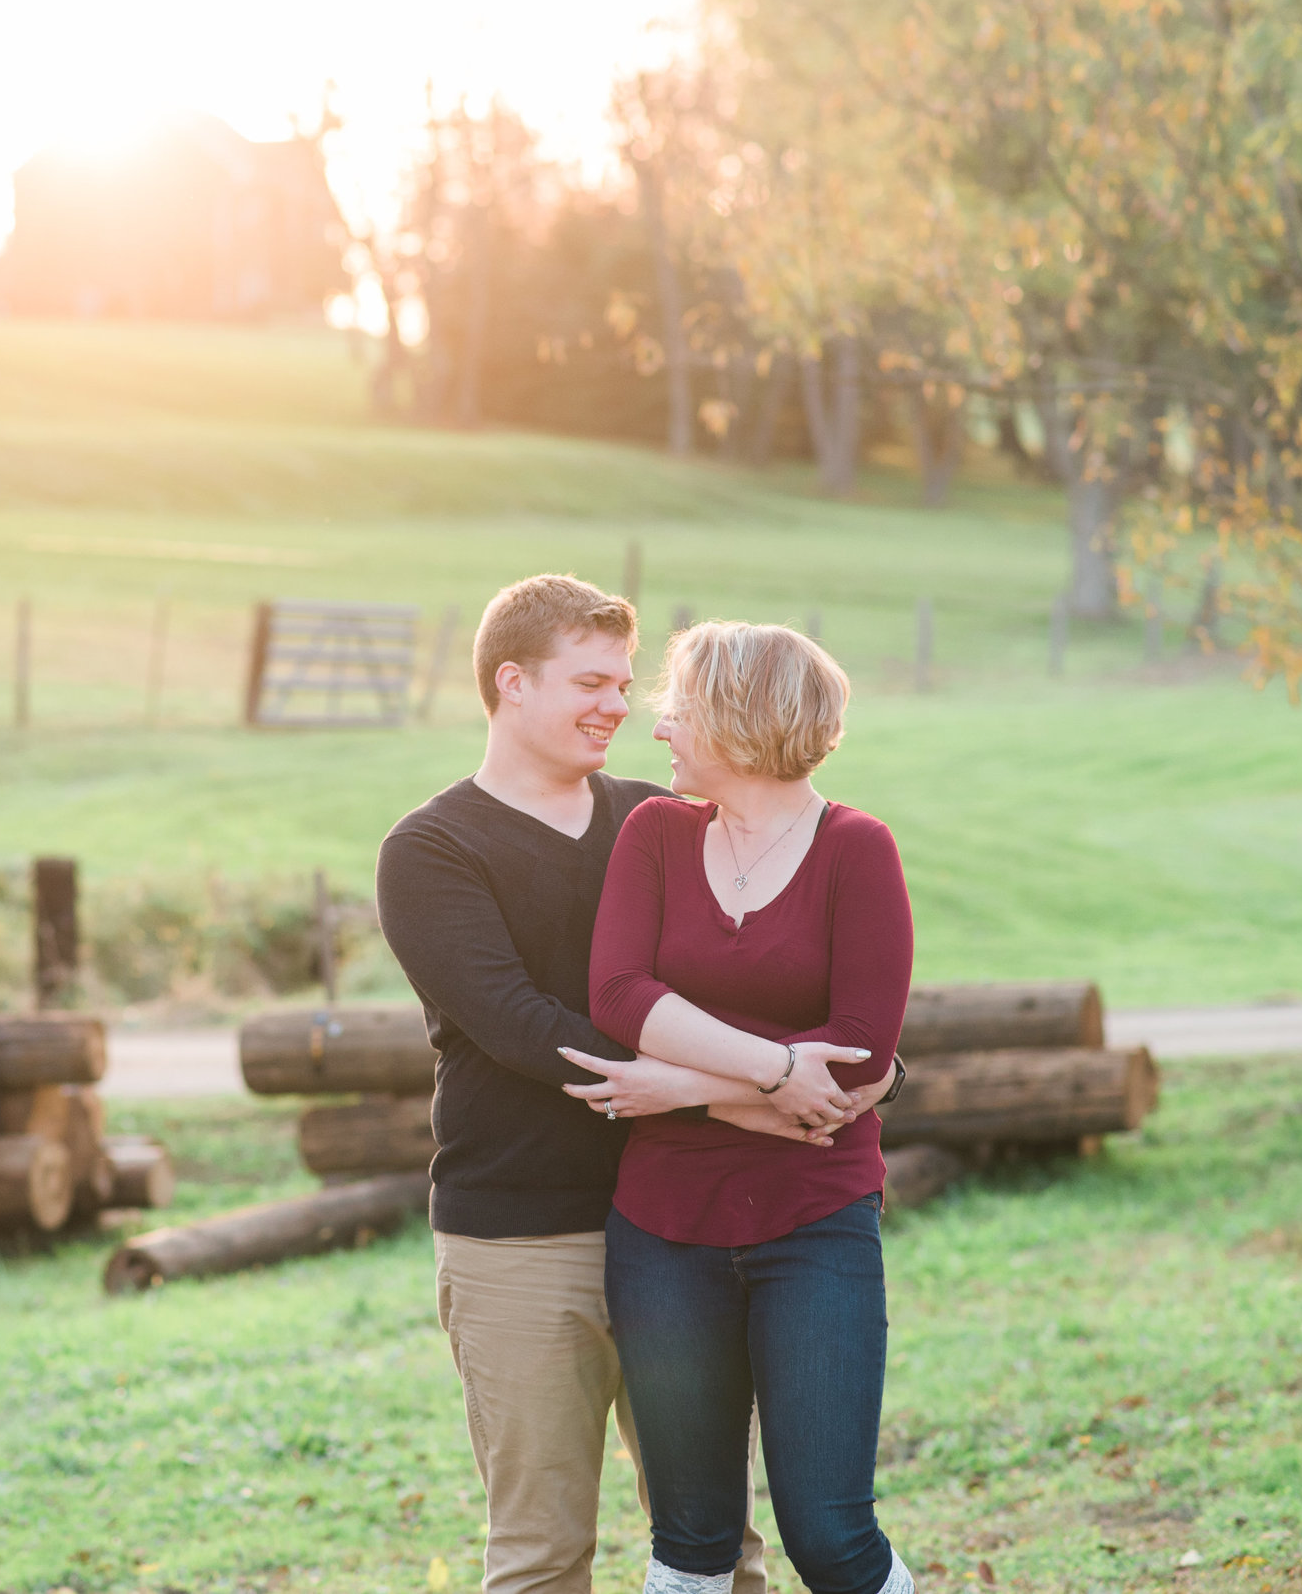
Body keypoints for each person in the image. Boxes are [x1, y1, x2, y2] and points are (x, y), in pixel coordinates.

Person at [376, 577, 895, 1594]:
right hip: (522, 1234)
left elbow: (780, 983)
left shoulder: (658, 817)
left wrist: (858, 1072)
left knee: (711, 1540)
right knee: (542, 1550)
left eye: (625, 680)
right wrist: (750, 1090)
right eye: (591, 681)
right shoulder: (431, 849)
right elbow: (529, 1029)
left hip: (677, 1225)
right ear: (511, 683)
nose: (620, 704)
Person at [564, 620, 915, 1594]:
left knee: (830, 1537)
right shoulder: (656, 837)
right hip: (661, 1232)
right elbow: (620, 995)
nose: (658, 728)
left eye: (676, 708)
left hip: (815, 1227)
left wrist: (681, 1083)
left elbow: (856, 1068)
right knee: (690, 1538)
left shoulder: (856, 849)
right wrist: (770, 1070)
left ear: (737, 717)